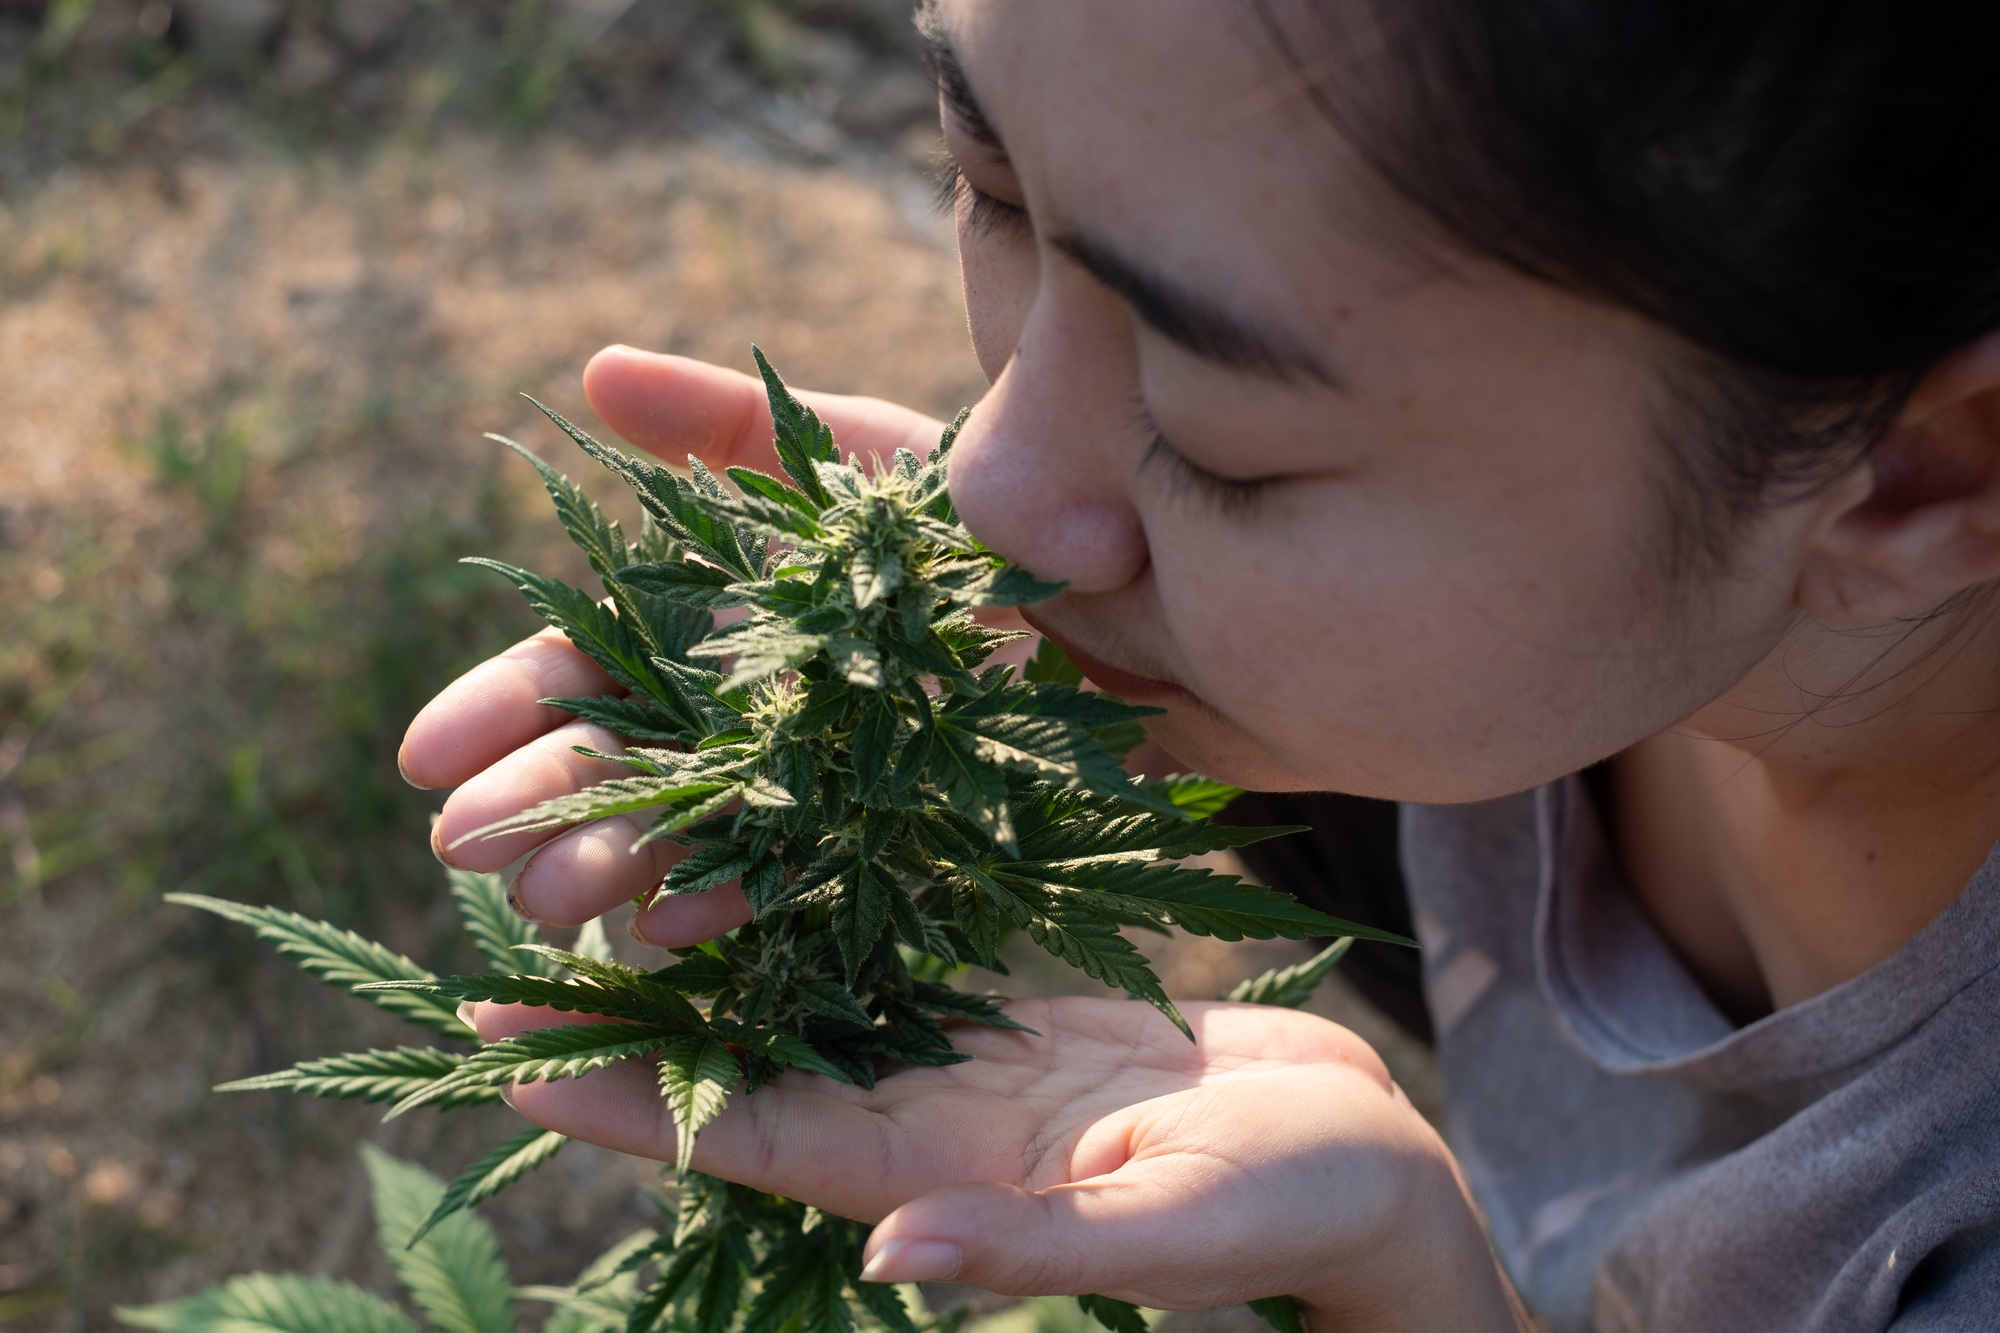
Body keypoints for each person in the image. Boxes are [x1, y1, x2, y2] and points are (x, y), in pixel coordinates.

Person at [396, 1, 2000, 1327]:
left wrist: (1412, 1285)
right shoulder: (1547, 661)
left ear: (1935, 471)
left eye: (1226, 437)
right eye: (991, 183)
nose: (976, 491)